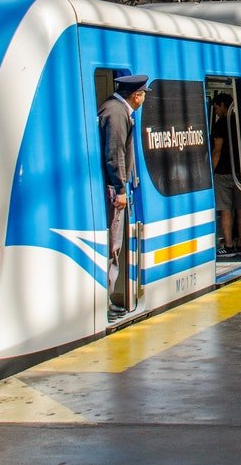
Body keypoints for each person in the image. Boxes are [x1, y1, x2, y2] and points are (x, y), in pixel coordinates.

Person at [98, 73, 147, 319]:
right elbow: (114, 153)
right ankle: (105, 304)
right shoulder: (117, 114)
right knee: (112, 247)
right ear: (137, 95)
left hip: (112, 187)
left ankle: (106, 301)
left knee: (112, 247)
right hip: (112, 191)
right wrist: (119, 189)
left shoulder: (113, 109)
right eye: (144, 94)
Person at [211, 92, 241, 255]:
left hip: (223, 173)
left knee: (226, 210)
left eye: (216, 107)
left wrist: (211, 171)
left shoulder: (221, 123)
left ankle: (229, 245)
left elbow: (217, 149)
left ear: (223, 105)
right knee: (240, 209)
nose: (216, 112)